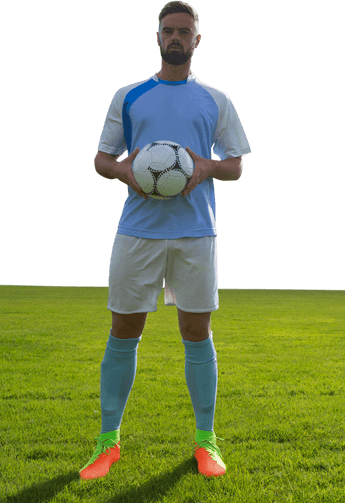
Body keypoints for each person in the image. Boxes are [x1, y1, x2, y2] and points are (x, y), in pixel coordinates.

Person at [79, 1, 250, 480]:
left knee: (197, 334)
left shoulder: (217, 100)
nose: (176, 38)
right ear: (157, 37)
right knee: (123, 332)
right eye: (169, 31)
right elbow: (100, 159)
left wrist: (205, 167)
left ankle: (205, 442)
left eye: (185, 32)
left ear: (198, 40)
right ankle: (107, 444)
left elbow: (235, 164)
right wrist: (121, 171)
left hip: (197, 233)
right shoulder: (129, 96)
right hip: (138, 232)